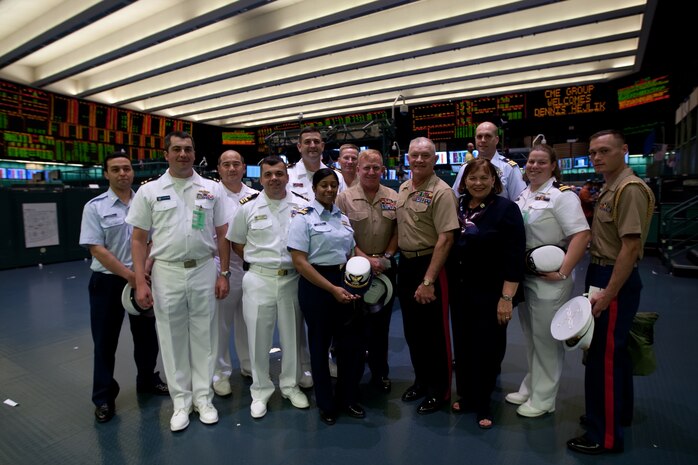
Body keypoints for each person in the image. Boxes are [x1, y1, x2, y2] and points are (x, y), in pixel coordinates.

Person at [126, 131, 230, 432]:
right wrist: (140, 281)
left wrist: (224, 272)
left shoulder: (212, 189)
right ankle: (181, 403)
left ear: (194, 153)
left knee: (205, 336)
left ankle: (204, 399)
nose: (183, 154)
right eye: (177, 149)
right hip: (166, 272)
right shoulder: (149, 192)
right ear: (166, 153)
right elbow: (138, 239)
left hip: (203, 269)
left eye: (187, 149)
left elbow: (223, 233)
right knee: (171, 339)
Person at [567, 130, 655, 455]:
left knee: (602, 358)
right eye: (592, 152)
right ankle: (617, 415)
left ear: (624, 150)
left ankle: (603, 435)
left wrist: (607, 294)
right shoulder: (612, 187)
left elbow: (630, 249)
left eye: (604, 150)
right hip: (604, 272)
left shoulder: (628, 190)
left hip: (612, 276)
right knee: (615, 354)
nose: (597, 157)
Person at [79, 151, 168, 423]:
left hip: (144, 276)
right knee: (105, 341)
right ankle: (104, 397)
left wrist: (144, 272)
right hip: (108, 281)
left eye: (127, 168)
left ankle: (148, 381)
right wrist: (132, 275)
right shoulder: (94, 207)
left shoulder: (146, 201)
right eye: (115, 169)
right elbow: (97, 249)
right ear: (106, 174)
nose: (122, 174)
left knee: (146, 337)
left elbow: (154, 240)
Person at [506, 144, 590, 417]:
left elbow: (581, 235)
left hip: (550, 278)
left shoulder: (562, 196)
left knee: (546, 340)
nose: (534, 166)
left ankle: (544, 399)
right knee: (532, 337)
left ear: (553, 165)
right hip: (526, 274)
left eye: (541, 162)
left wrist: (564, 271)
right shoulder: (524, 195)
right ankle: (531, 386)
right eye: (530, 161)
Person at [227, 155, 310, 419]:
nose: (274, 178)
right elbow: (237, 242)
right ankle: (260, 390)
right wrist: (258, 261)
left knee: (292, 335)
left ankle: (289, 385)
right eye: (268, 175)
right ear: (261, 178)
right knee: (257, 338)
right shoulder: (247, 207)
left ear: (287, 175)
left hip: (292, 279)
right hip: (259, 279)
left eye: (279, 173)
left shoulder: (303, 206)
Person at [447, 158, 526, 429]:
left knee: (488, 348)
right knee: (465, 346)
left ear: (494, 180)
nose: (477, 183)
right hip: (460, 290)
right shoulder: (457, 207)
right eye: (472, 178)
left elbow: (514, 257)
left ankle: (484, 403)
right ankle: (467, 395)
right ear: (464, 181)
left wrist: (507, 298)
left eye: (484, 178)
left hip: (491, 292)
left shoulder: (506, 209)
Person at [288, 168, 365, 426]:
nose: (330, 189)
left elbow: (350, 250)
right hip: (316, 285)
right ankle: (326, 403)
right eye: (324, 185)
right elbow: (300, 262)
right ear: (314, 187)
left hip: (344, 281)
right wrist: (332, 289)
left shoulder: (342, 217)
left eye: (333, 185)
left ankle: (348, 398)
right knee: (319, 347)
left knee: (349, 346)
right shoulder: (303, 218)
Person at [396, 137, 459, 415]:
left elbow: (446, 238)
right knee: (413, 331)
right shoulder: (404, 187)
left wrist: (429, 280)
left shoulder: (442, 192)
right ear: (407, 158)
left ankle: (440, 391)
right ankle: (421, 381)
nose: (419, 160)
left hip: (431, 267)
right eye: (414, 155)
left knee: (435, 333)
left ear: (434, 159)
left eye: (425, 155)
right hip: (407, 266)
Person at [336, 149, 398, 393]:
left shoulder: (393, 196)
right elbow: (342, 236)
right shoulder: (344, 198)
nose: (371, 172)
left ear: (382, 169)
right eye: (366, 168)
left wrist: (386, 257)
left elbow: (396, 232)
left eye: (376, 167)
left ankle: (380, 373)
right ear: (357, 169)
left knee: (381, 326)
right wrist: (365, 259)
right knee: (353, 325)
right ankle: (352, 375)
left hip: (385, 269)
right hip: (354, 270)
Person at [288, 126, 347, 384]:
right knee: (302, 324)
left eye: (317, 142)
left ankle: (329, 362)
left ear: (323, 145)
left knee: (329, 328)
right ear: (299, 146)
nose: (312, 146)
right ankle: (304, 367)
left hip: (329, 256)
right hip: (299, 256)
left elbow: (339, 215)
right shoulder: (289, 175)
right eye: (307, 142)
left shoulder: (338, 176)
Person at [212, 150, 258, 397]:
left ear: (243, 167)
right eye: (226, 164)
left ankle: (249, 365)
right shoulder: (209, 195)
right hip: (222, 268)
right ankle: (220, 373)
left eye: (236, 164)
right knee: (220, 325)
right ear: (219, 168)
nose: (231, 168)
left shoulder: (256, 196)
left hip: (250, 267)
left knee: (249, 321)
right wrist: (222, 271)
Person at [452, 121, 526, 201]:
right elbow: (455, 199)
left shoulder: (509, 168)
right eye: (479, 136)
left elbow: (520, 202)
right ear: (475, 139)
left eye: (488, 136)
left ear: (496, 140)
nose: (483, 140)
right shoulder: (465, 168)